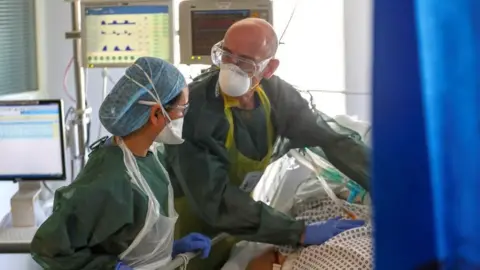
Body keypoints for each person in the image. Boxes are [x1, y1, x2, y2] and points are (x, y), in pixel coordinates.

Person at [165, 18, 369, 269]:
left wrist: (387, 185)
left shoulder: (277, 95)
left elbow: (332, 140)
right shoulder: (196, 109)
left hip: (240, 215)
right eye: (226, 55)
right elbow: (214, 200)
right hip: (189, 218)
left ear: (269, 68)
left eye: (245, 62)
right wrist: (299, 232)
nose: (231, 68)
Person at [30, 57, 212, 270]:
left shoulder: (147, 158)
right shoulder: (111, 179)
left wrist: (166, 249)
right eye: (182, 109)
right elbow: (48, 248)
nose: (183, 116)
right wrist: (107, 268)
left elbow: (124, 235)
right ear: (155, 114)